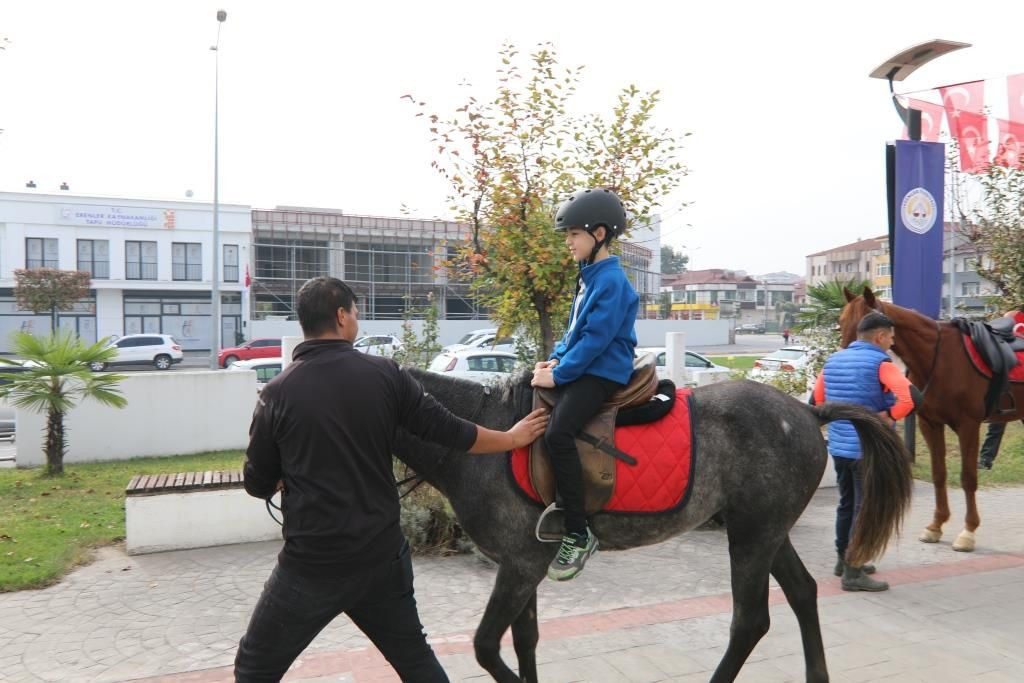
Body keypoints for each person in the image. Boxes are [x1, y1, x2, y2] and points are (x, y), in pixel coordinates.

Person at [234, 277, 548, 682]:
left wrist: (280, 478)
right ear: (341, 315)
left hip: (311, 566)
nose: (357, 319)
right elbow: (450, 430)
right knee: (416, 662)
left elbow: (256, 482)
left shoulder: (276, 394)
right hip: (380, 559)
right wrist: (511, 438)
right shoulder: (386, 375)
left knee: (254, 668)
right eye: (356, 311)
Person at [531, 188, 638, 581]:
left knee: (558, 434)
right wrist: (556, 357)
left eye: (573, 235)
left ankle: (578, 532)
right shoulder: (590, 275)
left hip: (603, 372)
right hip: (584, 364)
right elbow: (575, 330)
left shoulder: (612, 280)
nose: (569, 243)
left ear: (599, 234)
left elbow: (595, 340)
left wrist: (559, 375)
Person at [811, 311, 919, 592]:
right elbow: (909, 398)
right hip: (868, 451)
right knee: (864, 508)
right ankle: (854, 571)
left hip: (839, 448)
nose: (892, 343)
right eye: (891, 337)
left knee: (846, 503)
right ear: (880, 336)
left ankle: (842, 559)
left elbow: (819, 400)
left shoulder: (833, 360)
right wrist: (888, 416)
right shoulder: (881, 363)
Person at [979, 308, 1024, 470]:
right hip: (1011, 383)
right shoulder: (1013, 318)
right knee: (997, 423)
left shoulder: (1015, 318)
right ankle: (985, 460)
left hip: (1010, 383)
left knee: (997, 423)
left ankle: (985, 461)